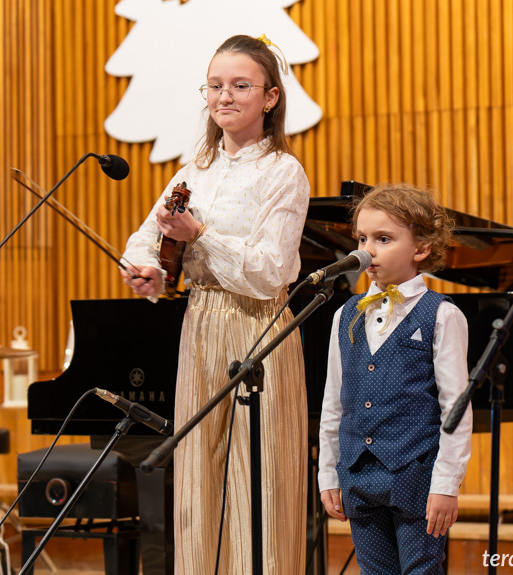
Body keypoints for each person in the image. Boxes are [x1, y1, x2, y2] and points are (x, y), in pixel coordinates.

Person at [121, 34, 309, 574]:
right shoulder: (191, 171)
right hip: (201, 322)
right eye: (216, 86)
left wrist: (201, 234)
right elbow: (145, 240)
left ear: (270, 97)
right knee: (198, 473)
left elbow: (270, 270)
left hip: (260, 328)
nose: (224, 96)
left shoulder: (282, 172)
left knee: (262, 477)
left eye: (240, 86)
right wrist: (149, 271)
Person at [317, 183, 473, 574]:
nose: (367, 250)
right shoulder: (345, 315)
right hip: (358, 475)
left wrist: (446, 485)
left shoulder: (441, 315)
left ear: (420, 248)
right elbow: (334, 404)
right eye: (363, 238)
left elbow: (456, 409)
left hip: (416, 477)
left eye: (383, 239)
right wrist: (328, 473)